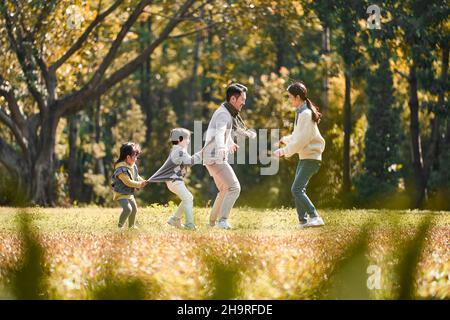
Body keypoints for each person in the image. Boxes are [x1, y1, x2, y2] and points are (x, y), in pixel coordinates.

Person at [203, 83, 256, 230]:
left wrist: (230, 142)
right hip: (215, 157)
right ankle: (222, 221)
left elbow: (224, 131)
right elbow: (219, 132)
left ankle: (212, 223)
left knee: (225, 190)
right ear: (233, 99)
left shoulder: (226, 112)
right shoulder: (223, 114)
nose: (244, 103)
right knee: (234, 187)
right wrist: (221, 146)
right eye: (242, 100)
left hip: (210, 157)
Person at [273, 82, 326, 228]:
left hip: (311, 158)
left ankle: (315, 216)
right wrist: (286, 140)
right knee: (298, 189)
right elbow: (298, 136)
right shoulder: (302, 113)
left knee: (296, 189)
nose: (289, 100)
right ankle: (303, 221)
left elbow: (301, 141)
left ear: (297, 97)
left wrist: (283, 152)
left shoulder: (306, 114)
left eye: (290, 97)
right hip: (306, 157)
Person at [147, 128, 203, 230]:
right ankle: (189, 225)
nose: (189, 141)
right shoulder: (179, 151)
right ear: (180, 139)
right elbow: (189, 162)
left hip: (173, 181)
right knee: (188, 198)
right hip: (175, 181)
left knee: (188, 198)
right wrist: (201, 153)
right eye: (188, 139)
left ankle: (175, 219)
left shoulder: (177, 150)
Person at [111, 142, 148, 230]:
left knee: (134, 209)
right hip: (121, 193)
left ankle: (131, 226)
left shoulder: (133, 166)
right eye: (135, 156)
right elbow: (128, 182)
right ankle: (119, 227)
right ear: (128, 157)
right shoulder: (121, 169)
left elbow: (136, 176)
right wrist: (139, 184)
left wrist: (142, 180)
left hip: (129, 193)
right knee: (128, 209)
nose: (136, 158)